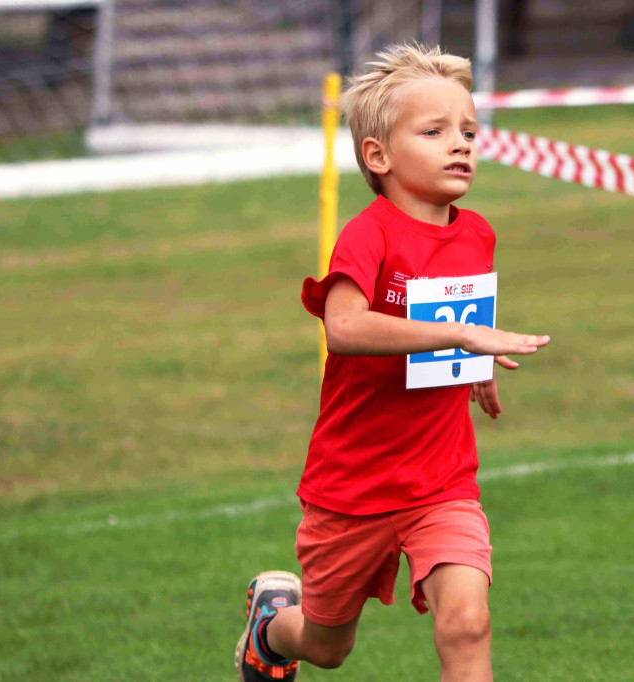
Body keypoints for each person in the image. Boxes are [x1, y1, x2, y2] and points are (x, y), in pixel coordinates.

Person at [234, 43, 551, 682]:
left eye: (468, 131)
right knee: (327, 647)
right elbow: (345, 328)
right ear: (378, 155)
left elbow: (461, 319)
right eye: (433, 132)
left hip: (443, 480)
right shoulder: (368, 234)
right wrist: (457, 340)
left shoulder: (478, 232)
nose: (459, 144)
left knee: (467, 625)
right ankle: (272, 629)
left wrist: (476, 363)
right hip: (352, 488)